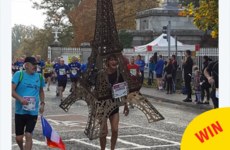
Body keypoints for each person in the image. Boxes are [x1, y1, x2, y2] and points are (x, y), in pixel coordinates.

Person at [12, 57, 45, 150]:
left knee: (28, 135)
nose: (35, 66)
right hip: (20, 111)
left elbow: (41, 91)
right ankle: (22, 148)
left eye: (36, 65)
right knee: (19, 138)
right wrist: (20, 99)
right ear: (26, 65)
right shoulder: (19, 74)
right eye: (33, 64)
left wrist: (42, 103)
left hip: (32, 112)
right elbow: (11, 90)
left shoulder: (39, 77)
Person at [99, 54, 129, 150]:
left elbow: (123, 89)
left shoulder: (119, 74)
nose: (113, 61)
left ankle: (112, 148)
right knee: (104, 132)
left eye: (115, 60)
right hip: (103, 106)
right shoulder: (101, 74)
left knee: (115, 130)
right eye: (111, 60)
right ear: (107, 62)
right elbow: (96, 91)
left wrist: (126, 105)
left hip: (114, 105)